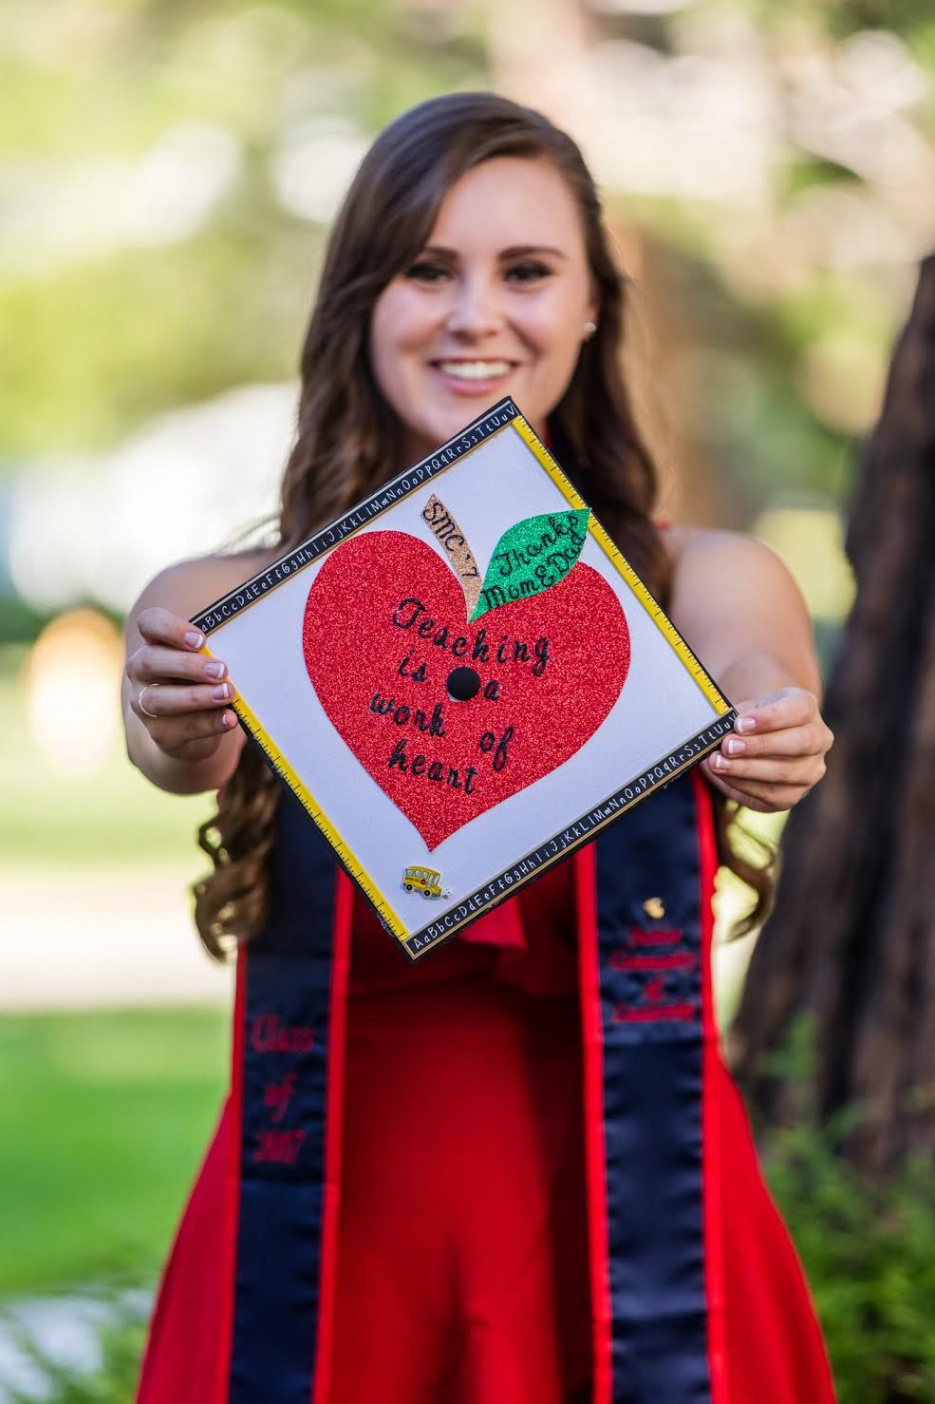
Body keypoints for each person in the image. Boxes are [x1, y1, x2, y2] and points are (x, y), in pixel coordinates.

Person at [125, 93, 836, 1404]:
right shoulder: (233, 603)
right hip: (326, 1206)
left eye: (526, 271)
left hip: (633, 1193)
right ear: (360, 302)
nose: (474, 316)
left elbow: (757, 674)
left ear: (589, 310)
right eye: (426, 269)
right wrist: (174, 721)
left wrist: (770, 726)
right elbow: (178, 748)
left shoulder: (700, 581)